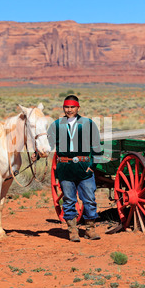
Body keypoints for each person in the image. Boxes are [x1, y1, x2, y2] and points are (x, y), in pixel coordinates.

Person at [47, 95, 103, 242]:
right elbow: (48, 144)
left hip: (84, 168)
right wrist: (36, 154)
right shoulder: (56, 125)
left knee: (90, 199)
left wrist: (93, 166)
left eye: (72, 107)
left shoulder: (88, 124)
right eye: (67, 107)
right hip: (65, 168)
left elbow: (97, 146)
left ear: (78, 107)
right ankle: (72, 230)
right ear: (63, 108)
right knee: (69, 200)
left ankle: (90, 229)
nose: (69, 110)